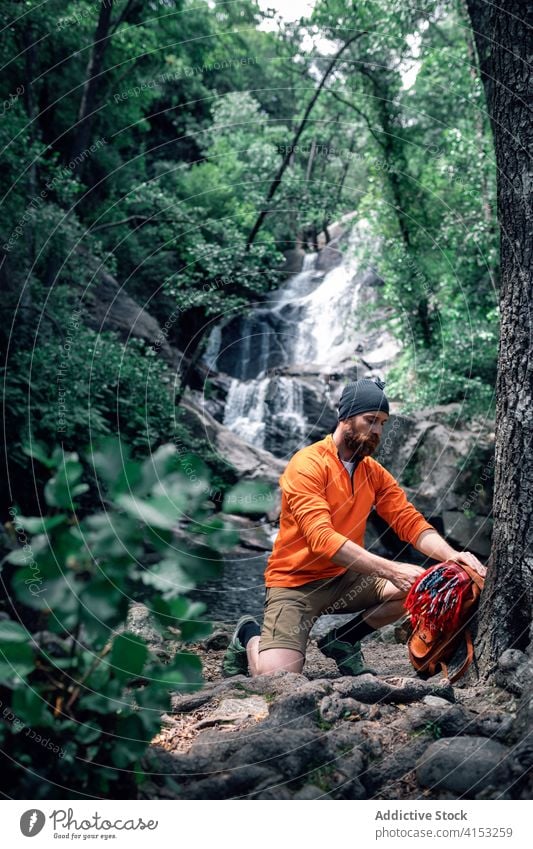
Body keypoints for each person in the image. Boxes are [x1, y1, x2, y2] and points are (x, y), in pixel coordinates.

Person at [222, 378, 487, 678]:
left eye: (383, 424)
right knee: (276, 679)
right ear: (345, 417)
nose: (377, 431)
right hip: (295, 584)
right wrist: (392, 570)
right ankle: (247, 634)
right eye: (370, 420)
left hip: (346, 579)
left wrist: (452, 556)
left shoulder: (373, 473)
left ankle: (342, 640)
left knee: (422, 586)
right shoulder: (307, 464)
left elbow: (409, 522)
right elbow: (322, 539)